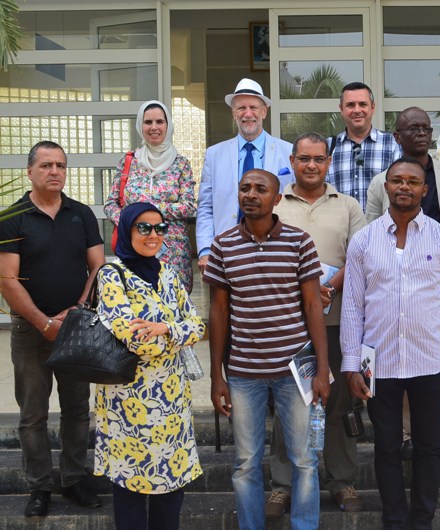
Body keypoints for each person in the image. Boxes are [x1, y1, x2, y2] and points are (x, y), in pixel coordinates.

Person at [340, 157, 440, 530]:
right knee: (387, 446)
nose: (404, 187)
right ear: (386, 187)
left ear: (424, 190)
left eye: (413, 181)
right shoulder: (364, 240)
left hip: (429, 361)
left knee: (428, 446)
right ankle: (395, 519)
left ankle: (422, 519)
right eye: (397, 180)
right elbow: (352, 306)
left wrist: (424, 326)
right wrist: (351, 365)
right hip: (376, 361)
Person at [204, 168, 330, 530]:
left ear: (276, 199)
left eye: (261, 189)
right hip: (244, 373)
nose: (251, 194)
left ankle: (305, 526)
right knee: (245, 463)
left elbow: (311, 308)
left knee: (304, 459)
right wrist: (218, 377)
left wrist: (321, 370)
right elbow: (219, 312)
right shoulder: (223, 245)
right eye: (245, 188)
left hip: (295, 370)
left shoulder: (299, 242)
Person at [0, 141, 105, 517]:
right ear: (29, 171)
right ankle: (40, 486)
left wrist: (76, 311)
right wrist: (43, 323)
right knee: (33, 414)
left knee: (77, 408)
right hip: (31, 332)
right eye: (46, 165)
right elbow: (7, 279)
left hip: (75, 328)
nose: (55, 171)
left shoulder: (81, 215)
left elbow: (97, 266)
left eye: (60, 165)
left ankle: (74, 480)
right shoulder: (12, 218)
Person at [269, 132, 367, 515]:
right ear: (292, 161)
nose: (311, 165)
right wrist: (303, 292)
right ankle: (282, 484)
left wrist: (324, 286)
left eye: (319, 159)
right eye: (304, 158)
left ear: (328, 163)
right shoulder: (275, 204)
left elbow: (359, 257)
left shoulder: (348, 206)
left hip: (338, 319)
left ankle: (342, 482)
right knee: (289, 404)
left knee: (339, 403)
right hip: (286, 323)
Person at [94, 202, 206, 529]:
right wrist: (176, 333)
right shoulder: (113, 277)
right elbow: (136, 340)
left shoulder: (168, 272)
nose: (153, 235)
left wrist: (167, 329)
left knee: (171, 486)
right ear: (127, 231)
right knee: (130, 486)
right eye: (144, 227)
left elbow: (198, 325)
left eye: (160, 228)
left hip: (171, 399)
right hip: (128, 402)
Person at [366, 107, 440, 461]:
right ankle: (406, 434)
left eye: (426, 127)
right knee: (396, 365)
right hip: (392, 282)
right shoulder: (383, 181)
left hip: (437, 281)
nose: (421, 133)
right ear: (397, 136)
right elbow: (370, 229)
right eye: (413, 128)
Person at [196, 78, 293, 273]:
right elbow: (206, 206)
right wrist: (206, 250)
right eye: (241, 108)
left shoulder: (287, 151)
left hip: (276, 249)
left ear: (264, 111)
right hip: (227, 251)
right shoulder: (214, 155)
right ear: (233, 113)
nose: (247, 114)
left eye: (253, 108)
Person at [104, 100, 197, 292]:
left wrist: (149, 210)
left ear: (168, 125)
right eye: (148, 122)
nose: (154, 127)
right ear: (140, 125)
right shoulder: (129, 161)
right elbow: (111, 203)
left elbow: (189, 206)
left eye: (159, 122)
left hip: (173, 251)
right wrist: (131, 219)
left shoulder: (181, 164)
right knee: (137, 308)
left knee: (173, 306)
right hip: (135, 247)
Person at [326, 82, 402, 211]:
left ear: (372, 107)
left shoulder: (392, 144)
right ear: (341, 109)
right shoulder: (328, 147)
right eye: (350, 105)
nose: (357, 110)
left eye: (363, 104)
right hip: (342, 229)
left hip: (379, 228)